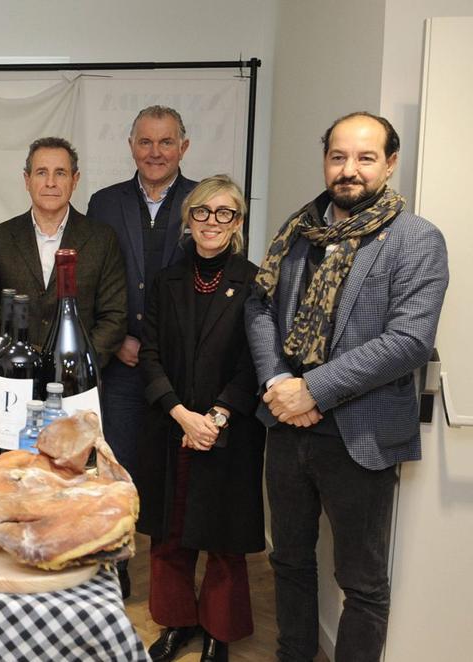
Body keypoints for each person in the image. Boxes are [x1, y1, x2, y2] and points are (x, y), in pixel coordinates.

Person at [246, 112, 448, 661]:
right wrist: (278, 380)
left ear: (390, 162)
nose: (349, 169)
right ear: (326, 160)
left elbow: (407, 341)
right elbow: (259, 305)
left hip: (361, 438)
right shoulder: (298, 230)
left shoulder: (416, 239)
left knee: (361, 584)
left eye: (364, 157)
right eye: (338, 156)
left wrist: (313, 390)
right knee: (288, 561)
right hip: (287, 428)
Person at [137, 175, 264, 662]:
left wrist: (215, 416)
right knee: (168, 535)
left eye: (225, 213)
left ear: (237, 223)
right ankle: (177, 624)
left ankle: (218, 631)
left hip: (227, 429)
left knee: (223, 539)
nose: (213, 222)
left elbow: (256, 361)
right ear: (189, 219)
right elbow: (148, 354)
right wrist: (180, 413)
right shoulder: (166, 279)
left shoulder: (254, 282)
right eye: (203, 212)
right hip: (170, 424)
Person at [88, 105, 197, 596]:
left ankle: (172, 584)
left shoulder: (204, 200)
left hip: (182, 367)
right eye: (146, 142)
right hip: (124, 363)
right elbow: (96, 281)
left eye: (166, 142)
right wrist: (120, 338)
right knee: (120, 467)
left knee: (176, 475)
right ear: (131, 146)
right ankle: (119, 566)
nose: (156, 152)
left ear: (183, 147)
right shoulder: (103, 203)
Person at [0, 136, 128, 364]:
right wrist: (6, 357)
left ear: (75, 180)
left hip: (77, 381)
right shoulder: (1, 238)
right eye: (41, 172)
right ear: (27, 180)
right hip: (12, 377)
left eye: (60, 173)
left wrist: (77, 365)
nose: (50, 182)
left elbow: (114, 316)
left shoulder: (102, 239)